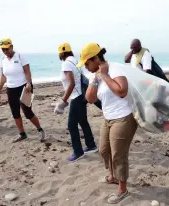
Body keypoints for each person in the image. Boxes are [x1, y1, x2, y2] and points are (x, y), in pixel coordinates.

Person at [77, 43, 137, 204]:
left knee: (119, 154)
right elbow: (90, 99)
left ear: (95, 58)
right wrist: (96, 78)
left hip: (124, 117)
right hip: (108, 117)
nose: (86, 67)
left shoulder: (114, 68)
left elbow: (122, 91)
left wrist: (104, 75)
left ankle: (122, 189)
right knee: (104, 150)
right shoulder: (95, 74)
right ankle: (113, 176)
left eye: (87, 63)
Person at [0, 38, 45, 143]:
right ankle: (22, 134)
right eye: (3, 50)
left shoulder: (20, 56)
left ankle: (40, 130)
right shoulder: (2, 59)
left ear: (11, 47)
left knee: (27, 112)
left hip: (24, 87)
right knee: (15, 112)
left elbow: (27, 71)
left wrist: (28, 83)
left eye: (7, 49)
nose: (5, 51)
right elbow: (3, 75)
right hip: (11, 88)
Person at [56, 43, 98, 162]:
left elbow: (72, 83)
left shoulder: (66, 63)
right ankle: (91, 145)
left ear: (61, 53)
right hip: (82, 95)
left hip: (76, 97)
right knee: (83, 121)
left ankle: (78, 152)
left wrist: (63, 100)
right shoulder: (75, 61)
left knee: (71, 125)